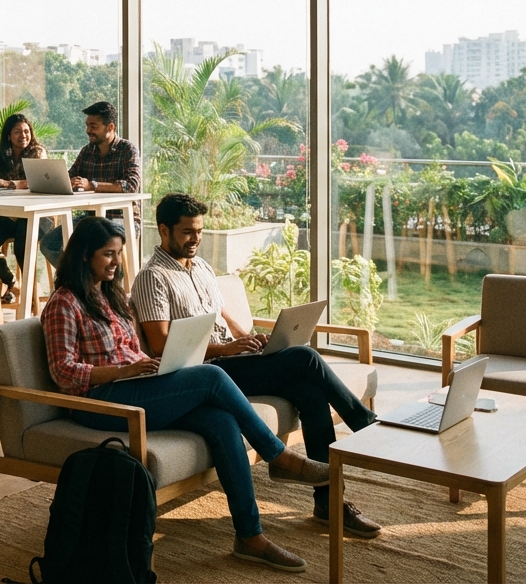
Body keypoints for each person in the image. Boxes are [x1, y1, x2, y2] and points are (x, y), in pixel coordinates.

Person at [42, 216, 327, 572]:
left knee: (222, 422)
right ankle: (278, 456)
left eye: (119, 253)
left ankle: (249, 537)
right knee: (211, 375)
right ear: (85, 255)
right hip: (100, 401)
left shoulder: (111, 296)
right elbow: (63, 371)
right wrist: (122, 372)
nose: (116, 261)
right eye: (108, 254)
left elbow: (132, 352)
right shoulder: (64, 304)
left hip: (134, 388)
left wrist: (154, 366)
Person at [130, 193, 382, 540]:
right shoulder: (152, 277)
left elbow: (220, 313)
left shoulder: (201, 267)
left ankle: (329, 503)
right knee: (305, 357)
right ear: (163, 230)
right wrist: (227, 348)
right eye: (187, 232)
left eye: (199, 231)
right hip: (207, 372)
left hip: (234, 359)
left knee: (310, 392)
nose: (195, 238)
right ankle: (367, 427)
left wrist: (248, 338)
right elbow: (160, 344)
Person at [40, 101, 142, 267]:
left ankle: (97, 279)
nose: (88, 130)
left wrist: (92, 185)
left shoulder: (127, 150)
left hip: (121, 219)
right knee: (49, 244)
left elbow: (131, 185)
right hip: (90, 219)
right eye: (87, 125)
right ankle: (80, 278)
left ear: (110, 127)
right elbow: (68, 177)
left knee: (95, 246)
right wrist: (64, 181)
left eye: (93, 126)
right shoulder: (87, 151)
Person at [0, 113, 51, 304]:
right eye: (17, 132)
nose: (23, 135)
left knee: (21, 246)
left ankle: (30, 297)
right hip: (11, 216)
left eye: (26, 131)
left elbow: (34, 181)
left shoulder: (37, 152)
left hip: (39, 216)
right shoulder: (4, 153)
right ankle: (12, 282)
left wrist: (6, 183)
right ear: (8, 135)